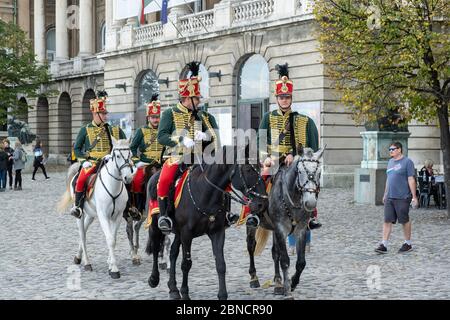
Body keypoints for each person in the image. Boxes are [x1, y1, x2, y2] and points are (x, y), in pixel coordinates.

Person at [255, 63, 321, 230]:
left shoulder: (303, 121)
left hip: (295, 162)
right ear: (277, 99)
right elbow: (260, 142)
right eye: (281, 97)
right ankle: (255, 215)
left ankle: (311, 215)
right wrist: (266, 158)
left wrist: (295, 155)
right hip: (274, 160)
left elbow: (310, 149)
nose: (284, 100)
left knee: (309, 182)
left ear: (291, 98)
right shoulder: (267, 118)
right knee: (261, 179)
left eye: (287, 97)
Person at [156, 61, 220, 233]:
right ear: (187, 98)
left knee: (221, 178)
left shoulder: (203, 116)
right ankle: (164, 216)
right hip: (178, 157)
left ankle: (225, 213)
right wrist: (180, 140)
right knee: (164, 180)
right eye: (197, 98)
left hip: (200, 157)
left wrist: (205, 136)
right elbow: (161, 136)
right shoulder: (170, 114)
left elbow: (216, 137)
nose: (199, 101)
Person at [70, 91, 126, 219]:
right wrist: (84, 161)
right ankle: (78, 206)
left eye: (106, 113)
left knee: (127, 179)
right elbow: (77, 148)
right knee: (81, 179)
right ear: (95, 113)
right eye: (103, 113)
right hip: (93, 162)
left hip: (110, 162)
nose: (105, 116)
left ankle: (129, 207)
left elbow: (124, 145)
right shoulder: (85, 129)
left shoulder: (114, 130)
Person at [375, 141, 418, 254]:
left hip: (403, 196)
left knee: (404, 220)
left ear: (399, 150)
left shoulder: (407, 162)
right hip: (390, 196)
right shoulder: (390, 162)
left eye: (392, 149)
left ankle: (407, 243)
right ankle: (384, 244)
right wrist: (385, 194)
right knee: (387, 220)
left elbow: (411, 179)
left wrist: (414, 196)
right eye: (390, 150)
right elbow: (389, 179)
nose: (391, 151)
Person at [129, 94, 164, 219]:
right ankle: (138, 209)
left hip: (161, 163)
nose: (155, 120)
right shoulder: (141, 131)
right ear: (148, 117)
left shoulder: (164, 130)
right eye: (153, 117)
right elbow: (132, 148)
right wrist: (136, 161)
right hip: (145, 164)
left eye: (157, 117)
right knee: (136, 181)